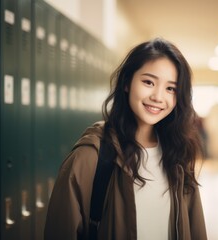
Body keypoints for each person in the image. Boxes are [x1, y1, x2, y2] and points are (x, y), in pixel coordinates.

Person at [44, 38, 207, 240]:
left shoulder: (178, 153)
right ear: (127, 83)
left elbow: (195, 227)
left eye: (170, 88)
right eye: (148, 82)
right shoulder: (91, 156)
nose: (158, 96)